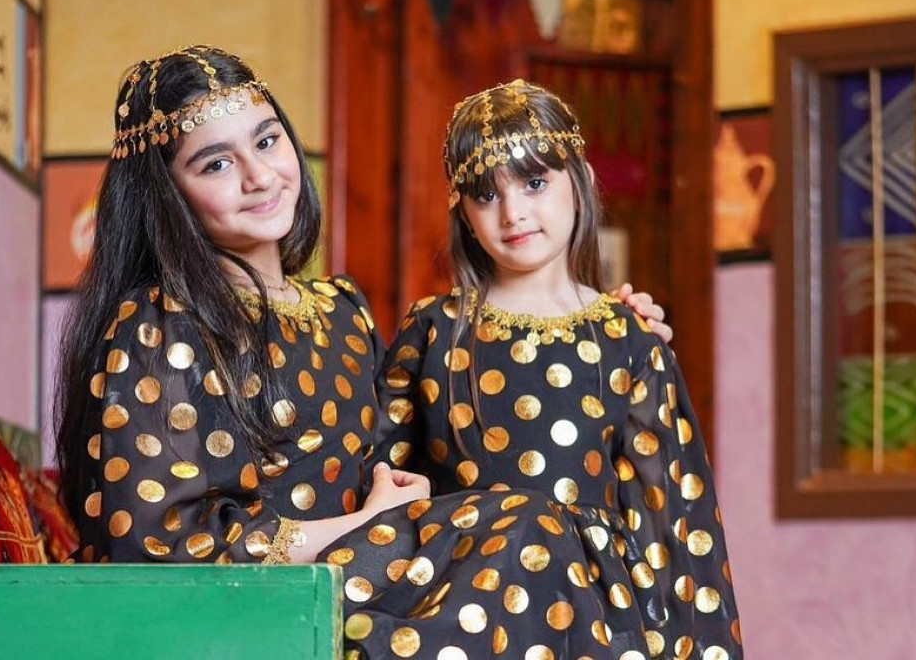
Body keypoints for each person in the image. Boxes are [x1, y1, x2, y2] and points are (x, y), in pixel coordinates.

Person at [52, 44, 673, 631]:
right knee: (528, 530)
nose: (260, 176)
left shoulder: (341, 311)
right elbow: (162, 545)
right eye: (216, 163)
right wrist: (363, 526)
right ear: (167, 195)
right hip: (258, 618)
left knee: (540, 533)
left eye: (267, 141)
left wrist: (588, 327)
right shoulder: (160, 322)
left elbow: (416, 457)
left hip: (373, 588)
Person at [322, 80, 742, 659]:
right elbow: (375, 484)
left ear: (582, 182)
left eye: (535, 183)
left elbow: (670, 526)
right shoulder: (434, 330)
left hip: (589, 615)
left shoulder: (628, 339)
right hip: (462, 606)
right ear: (463, 213)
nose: (513, 212)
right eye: (485, 195)